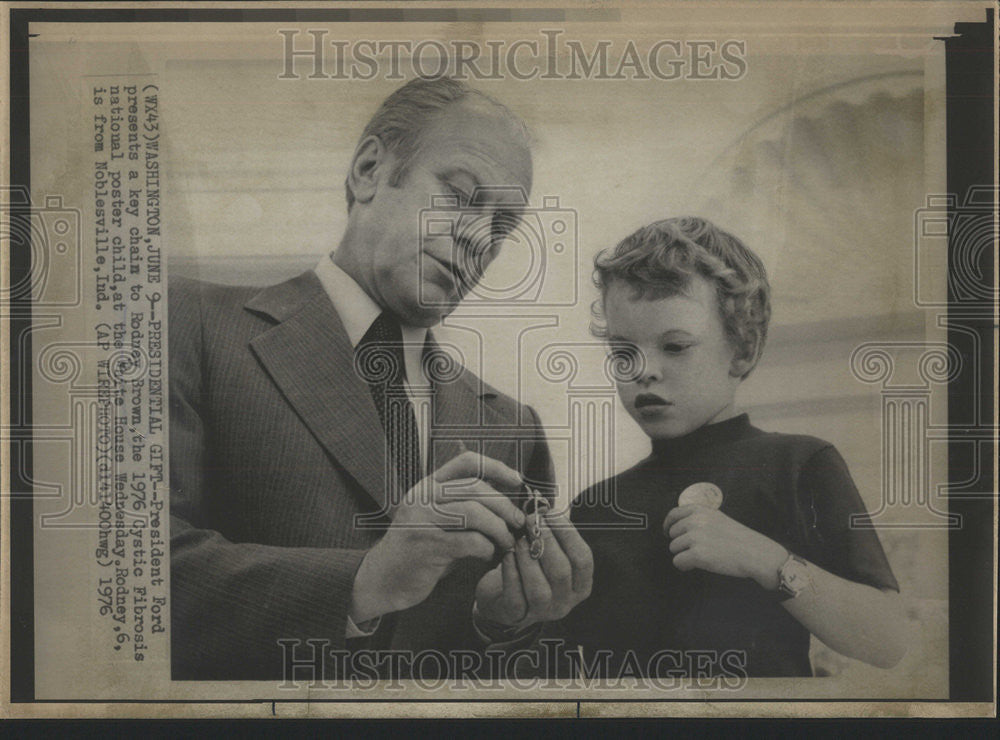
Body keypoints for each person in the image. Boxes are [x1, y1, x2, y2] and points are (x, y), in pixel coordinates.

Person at [168, 77, 592, 681]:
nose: (478, 240)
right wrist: (363, 584)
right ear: (369, 170)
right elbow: (129, 579)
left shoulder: (512, 427)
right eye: (460, 196)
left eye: (501, 227)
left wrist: (502, 625)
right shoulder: (190, 324)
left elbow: (527, 678)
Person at [553, 216, 905, 678]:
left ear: (742, 350)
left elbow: (889, 640)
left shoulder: (800, 464)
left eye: (675, 346)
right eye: (624, 353)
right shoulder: (595, 508)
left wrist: (767, 560)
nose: (644, 371)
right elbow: (561, 675)